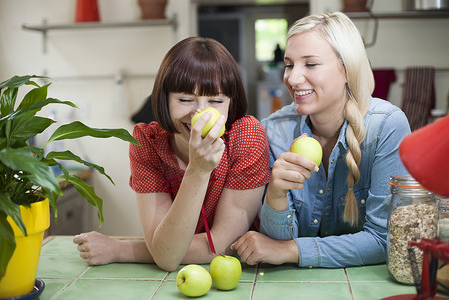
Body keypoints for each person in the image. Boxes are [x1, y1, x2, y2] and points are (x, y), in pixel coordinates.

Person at [74, 37, 270, 271]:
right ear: (164, 98)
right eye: (185, 99)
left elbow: (221, 245)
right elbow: (166, 257)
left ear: (230, 103)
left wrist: (122, 249)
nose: (201, 114)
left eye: (216, 100)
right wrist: (197, 171)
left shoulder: (246, 136)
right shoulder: (146, 142)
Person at [231, 11, 411, 268]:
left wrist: (294, 251)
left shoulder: (386, 127)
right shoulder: (273, 131)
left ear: (346, 69)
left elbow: (385, 239)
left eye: (310, 64)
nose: (292, 79)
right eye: (289, 64)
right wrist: (276, 195)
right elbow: (274, 244)